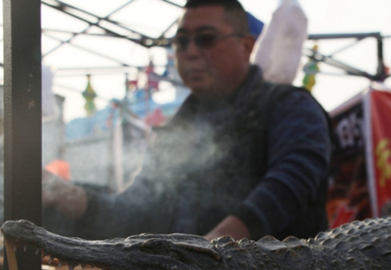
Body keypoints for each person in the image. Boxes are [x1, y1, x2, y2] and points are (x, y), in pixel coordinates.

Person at [43, 0, 331, 242]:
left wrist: (210, 252)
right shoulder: (174, 131)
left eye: (206, 39)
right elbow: (133, 211)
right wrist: (73, 198)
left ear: (246, 46)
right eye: (181, 41)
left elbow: (293, 180)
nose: (190, 51)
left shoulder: (288, 106)